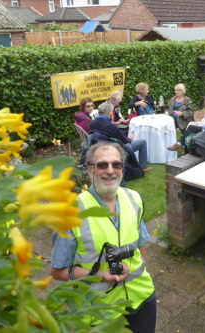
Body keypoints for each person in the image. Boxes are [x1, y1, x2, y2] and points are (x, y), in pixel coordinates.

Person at [50, 141, 156, 333]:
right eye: (102, 165)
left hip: (141, 297)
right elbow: (58, 271)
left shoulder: (133, 198)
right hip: (99, 310)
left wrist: (147, 275)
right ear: (90, 170)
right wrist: (101, 276)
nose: (110, 170)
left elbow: (140, 245)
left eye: (116, 164)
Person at [90, 102, 152, 172]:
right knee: (142, 142)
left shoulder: (92, 123)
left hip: (100, 148)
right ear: (109, 113)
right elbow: (124, 141)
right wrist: (129, 139)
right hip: (115, 149)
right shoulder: (110, 125)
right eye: (112, 112)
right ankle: (143, 167)